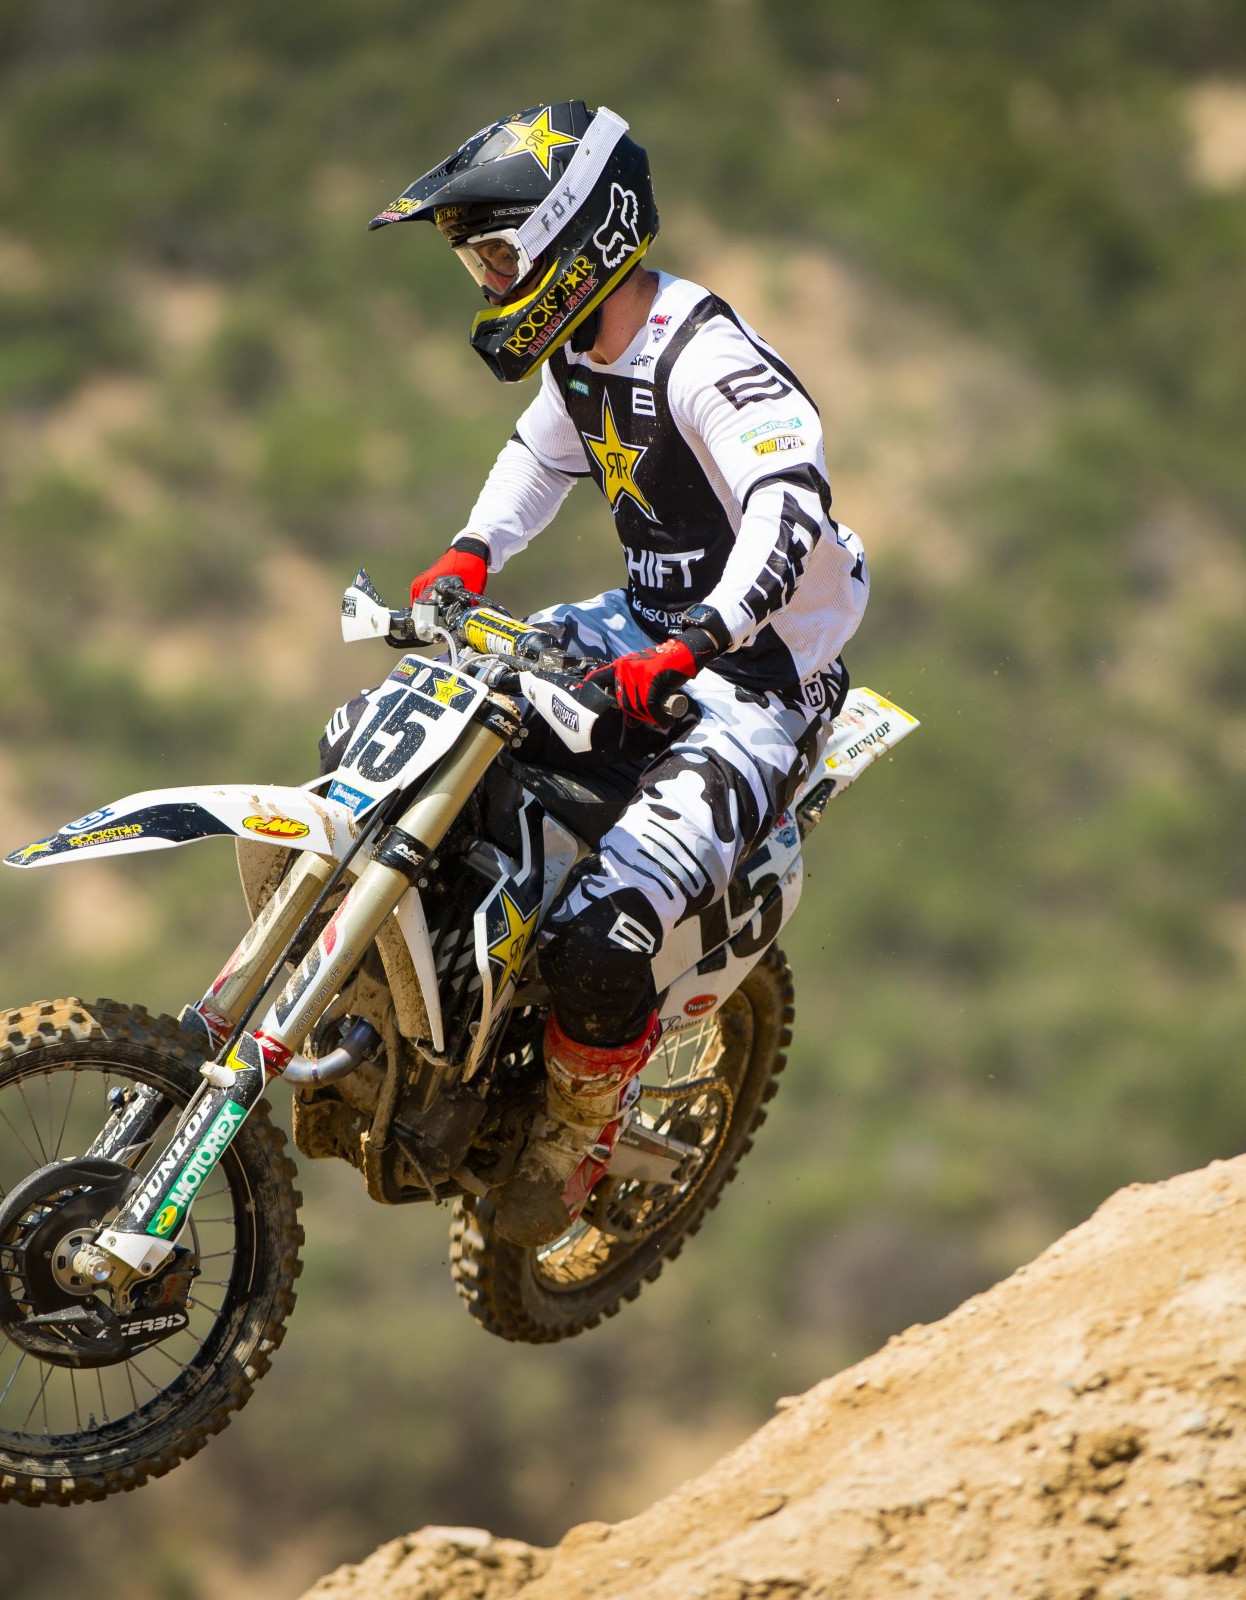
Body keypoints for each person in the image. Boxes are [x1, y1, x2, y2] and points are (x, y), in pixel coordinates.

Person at [366, 101, 869, 1247]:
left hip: (755, 679)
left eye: (500, 258)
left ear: (577, 237)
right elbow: (539, 459)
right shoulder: (587, 350)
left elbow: (790, 506)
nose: (491, 284)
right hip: (638, 626)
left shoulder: (706, 359)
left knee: (600, 942)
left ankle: (577, 1131)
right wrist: (472, 551)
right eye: (480, 266)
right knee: (410, 728)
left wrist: (698, 642)